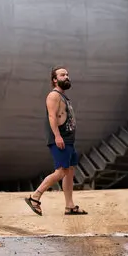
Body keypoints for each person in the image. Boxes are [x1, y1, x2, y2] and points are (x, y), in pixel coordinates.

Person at [24, 66, 88, 216]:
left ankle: (70, 206)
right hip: (60, 139)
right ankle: (35, 197)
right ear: (54, 80)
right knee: (61, 172)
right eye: (62, 75)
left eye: (67, 74)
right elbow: (52, 117)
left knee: (70, 171)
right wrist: (57, 136)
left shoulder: (63, 96)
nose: (66, 77)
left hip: (68, 140)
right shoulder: (53, 96)